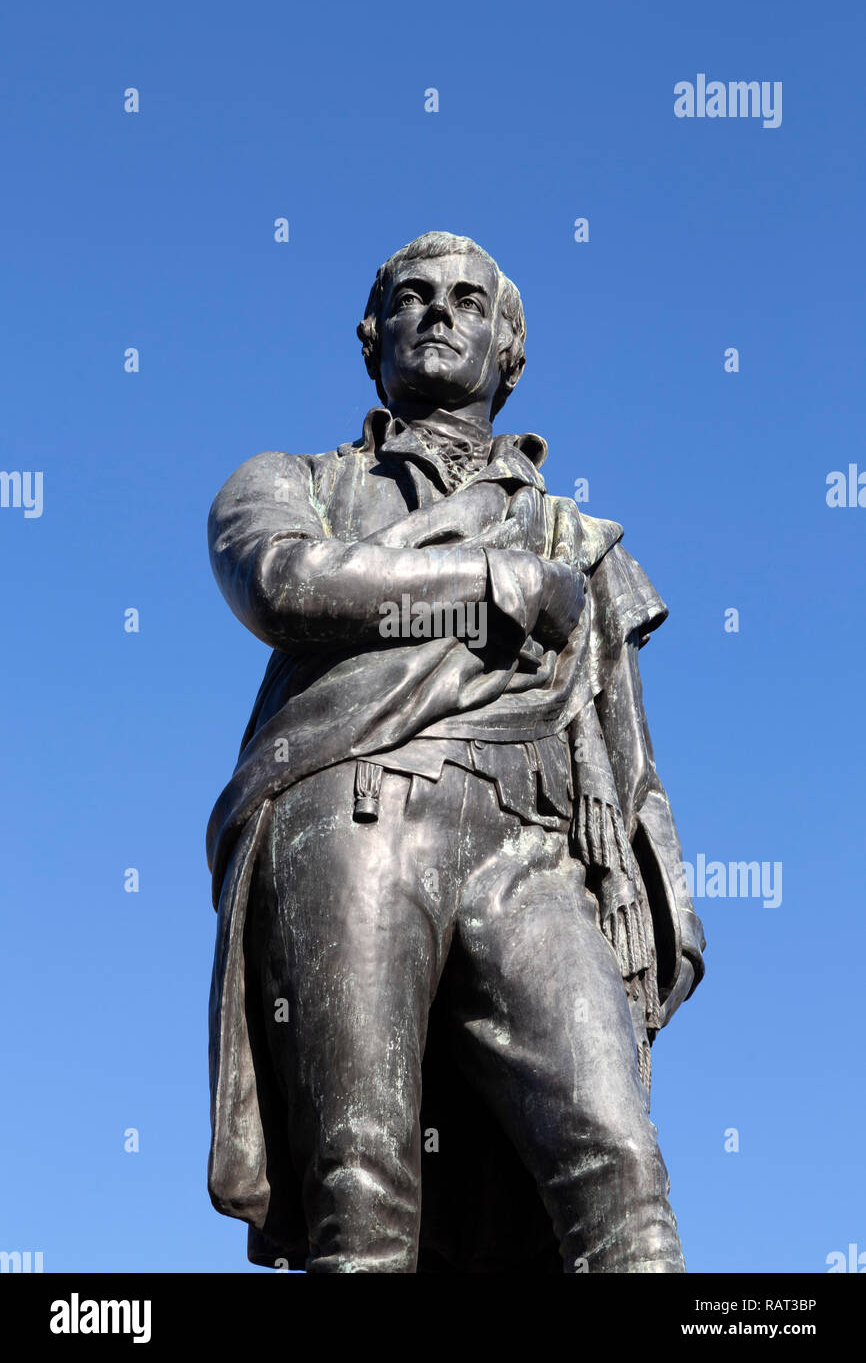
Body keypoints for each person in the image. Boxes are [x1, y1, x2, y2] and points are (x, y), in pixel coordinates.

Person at [206, 231, 706, 1273]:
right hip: (355, 805)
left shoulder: (577, 533)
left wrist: (665, 903)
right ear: (370, 337)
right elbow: (283, 584)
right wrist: (488, 580)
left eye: (469, 300)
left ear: (505, 349)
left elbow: (624, 742)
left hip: (534, 840)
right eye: (412, 297)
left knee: (621, 1171)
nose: (440, 312)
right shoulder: (290, 477)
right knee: (362, 1180)